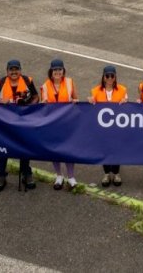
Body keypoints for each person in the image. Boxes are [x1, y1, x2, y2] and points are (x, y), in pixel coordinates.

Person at [0, 59, 36, 193]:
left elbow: (36, 97)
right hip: (5, 122)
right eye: (11, 69)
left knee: (24, 147)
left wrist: (29, 106)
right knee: (3, 148)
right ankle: (1, 176)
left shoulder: (28, 81)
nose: (14, 72)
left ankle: (26, 173)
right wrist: (0, 101)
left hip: (23, 121)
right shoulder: (0, 83)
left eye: (16, 69)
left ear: (20, 70)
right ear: (7, 71)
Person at [41, 58, 80, 191]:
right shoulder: (45, 86)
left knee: (69, 149)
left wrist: (75, 101)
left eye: (59, 69)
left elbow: (75, 98)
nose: (57, 72)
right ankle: (59, 175)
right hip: (52, 123)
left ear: (63, 71)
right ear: (51, 71)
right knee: (55, 149)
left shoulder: (69, 82)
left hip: (67, 122)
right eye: (55, 69)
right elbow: (43, 104)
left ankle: (71, 176)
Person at [91, 65, 129, 187]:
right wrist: (90, 102)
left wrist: (125, 102)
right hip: (102, 128)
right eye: (107, 76)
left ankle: (116, 173)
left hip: (117, 127)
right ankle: (107, 173)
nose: (109, 78)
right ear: (103, 77)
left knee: (116, 149)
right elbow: (92, 108)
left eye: (112, 76)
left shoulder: (122, 90)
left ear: (115, 77)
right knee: (104, 150)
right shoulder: (95, 91)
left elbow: (127, 105)